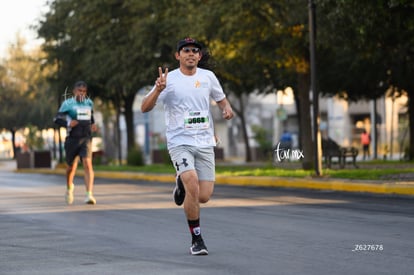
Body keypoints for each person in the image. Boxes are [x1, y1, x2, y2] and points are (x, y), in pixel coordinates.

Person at [141, 38, 234, 255]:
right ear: (178, 55)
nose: (190, 53)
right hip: (179, 142)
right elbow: (144, 107)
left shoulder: (208, 77)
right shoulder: (168, 80)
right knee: (192, 182)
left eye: (195, 51)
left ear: (199, 56)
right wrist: (157, 89)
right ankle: (197, 239)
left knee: (203, 196)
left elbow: (221, 100)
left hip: (204, 142)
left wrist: (227, 109)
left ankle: (180, 183)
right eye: (186, 50)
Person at [54, 81, 98, 205]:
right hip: (72, 139)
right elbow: (56, 119)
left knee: (87, 164)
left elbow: (91, 116)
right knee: (71, 168)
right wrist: (68, 123)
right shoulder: (68, 104)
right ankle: (69, 188)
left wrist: (93, 124)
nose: (82, 94)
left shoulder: (89, 103)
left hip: (86, 138)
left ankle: (89, 194)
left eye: (84, 91)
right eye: (79, 91)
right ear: (74, 91)